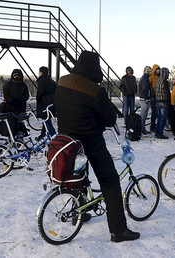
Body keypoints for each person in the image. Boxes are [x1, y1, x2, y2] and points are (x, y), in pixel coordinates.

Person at [54, 51, 140, 243]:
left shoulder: (62, 81)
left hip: (68, 142)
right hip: (91, 141)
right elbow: (109, 118)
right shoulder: (94, 90)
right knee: (110, 181)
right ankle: (118, 230)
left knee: (79, 178)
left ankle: (79, 213)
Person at [36, 66, 57, 138]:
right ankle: (42, 135)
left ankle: (54, 136)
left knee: (46, 120)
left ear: (41, 72)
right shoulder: (51, 81)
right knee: (46, 119)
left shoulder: (41, 80)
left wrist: (38, 100)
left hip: (44, 104)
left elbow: (40, 92)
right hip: (50, 103)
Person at [154, 67, 170, 139]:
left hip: (157, 101)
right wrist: (169, 101)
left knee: (159, 117)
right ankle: (160, 133)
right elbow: (167, 92)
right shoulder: (165, 81)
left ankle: (157, 132)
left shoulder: (158, 80)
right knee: (163, 118)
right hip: (164, 101)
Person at [138, 66, 152, 134]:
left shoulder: (145, 78)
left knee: (144, 114)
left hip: (144, 98)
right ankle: (141, 129)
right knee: (143, 115)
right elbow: (144, 89)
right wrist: (146, 98)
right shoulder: (145, 79)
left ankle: (142, 128)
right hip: (144, 99)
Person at [149, 64, 160, 132]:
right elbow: (149, 87)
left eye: (159, 70)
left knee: (158, 113)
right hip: (153, 96)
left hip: (158, 97)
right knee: (154, 112)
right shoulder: (151, 78)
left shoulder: (159, 77)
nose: (158, 71)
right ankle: (152, 126)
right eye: (157, 70)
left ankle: (155, 125)